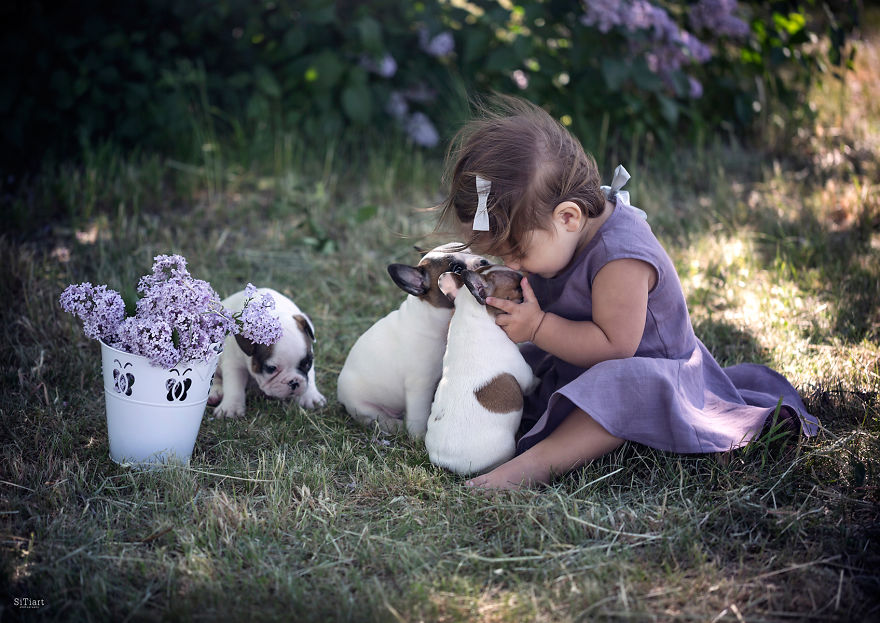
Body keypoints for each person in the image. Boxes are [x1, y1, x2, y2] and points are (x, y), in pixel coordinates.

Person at [434, 95, 819, 490]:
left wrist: (539, 327)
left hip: (647, 373)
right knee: (504, 361)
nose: (513, 265)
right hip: (576, 357)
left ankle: (530, 468)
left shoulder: (620, 257)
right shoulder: (559, 236)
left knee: (616, 390)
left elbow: (616, 346)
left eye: (517, 253)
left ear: (568, 217)